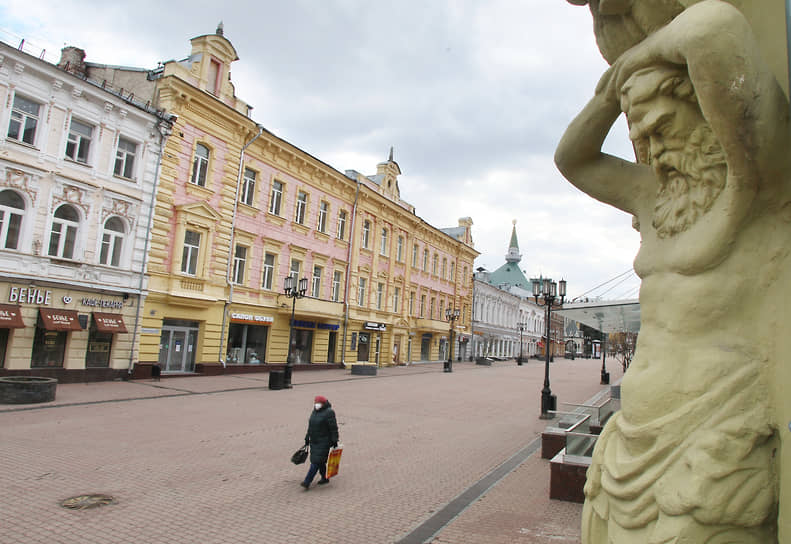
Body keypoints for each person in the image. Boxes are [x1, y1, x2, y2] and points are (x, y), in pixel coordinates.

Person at [556, 1, 790, 542]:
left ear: (704, 110)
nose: (654, 150)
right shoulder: (652, 197)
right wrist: (614, 94)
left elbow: (711, 28)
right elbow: (572, 158)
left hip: (712, 437)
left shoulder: (751, 182)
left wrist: (634, 58)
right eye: (644, 137)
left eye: (662, 128)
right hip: (631, 440)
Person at [301, 395, 339, 490]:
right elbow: (311, 426)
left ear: (323, 404)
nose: (316, 405)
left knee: (315, 461)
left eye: (318, 403)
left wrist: (335, 440)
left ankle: (307, 481)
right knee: (320, 461)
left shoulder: (329, 412)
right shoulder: (314, 412)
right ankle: (325, 477)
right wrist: (307, 437)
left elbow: (333, 428)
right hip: (314, 441)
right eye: (315, 403)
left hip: (324, 441)